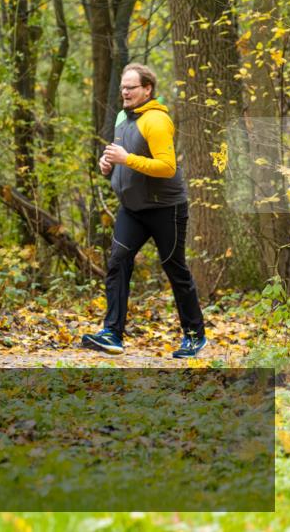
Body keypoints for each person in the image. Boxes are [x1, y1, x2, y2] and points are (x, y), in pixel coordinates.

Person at [82, 63, 207, 358]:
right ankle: (112, 333)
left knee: (174, 268)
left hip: (165, 209)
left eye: (131, 87)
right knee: (118, 261)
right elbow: (123, 158)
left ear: (147, 89)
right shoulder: (122, 117)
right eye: (123, 87)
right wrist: (108, 165)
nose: (125, 92)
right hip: (133, 209)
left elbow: (167, 167)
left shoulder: (157, 121)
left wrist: (126, 159)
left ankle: (194, 335)